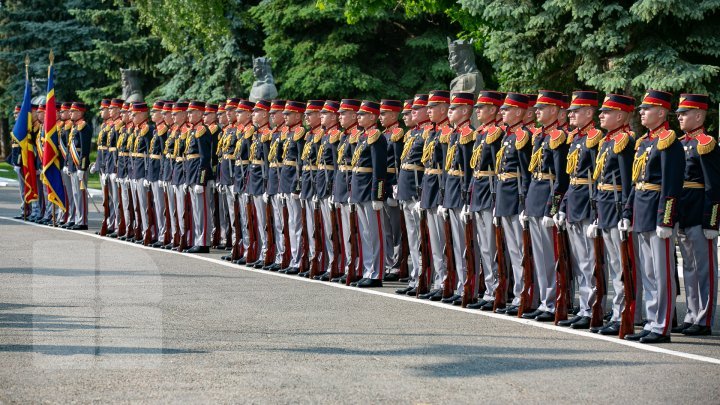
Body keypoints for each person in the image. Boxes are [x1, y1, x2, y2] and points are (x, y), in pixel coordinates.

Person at [622, 90, 684, 344]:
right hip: (642, 212)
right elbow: (636, 182)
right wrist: (628, 212)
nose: (642, 113)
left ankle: (663, 325)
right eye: (641, 109)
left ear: (661, 112)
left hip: (658, 214)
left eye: (647, 109)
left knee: (662, 274)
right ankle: (651, 321)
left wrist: (666, 219)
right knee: (648, 273)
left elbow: (671, 186)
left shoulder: (669, 142)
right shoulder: (644, 142)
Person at [520, 90, 569, 322]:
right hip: (536, 197)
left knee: (551, 257)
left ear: (555, 110)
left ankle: (554, 301)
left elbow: (561, 178)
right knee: (539, 256)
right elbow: (532, 172)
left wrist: (554, 208)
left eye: (542, 108)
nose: (536, 111)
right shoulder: (539, 136)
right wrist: (527, 205)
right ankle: (545, 301)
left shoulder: (559, 136)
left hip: (548, 199)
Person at [555, 91, 601, 329]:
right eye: (570, 111)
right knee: (579, 261)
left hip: (587, 205)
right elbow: (570, 178)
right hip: (573, 203)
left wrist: (597, 214)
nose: (570, 114)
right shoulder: (576, 138)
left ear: (589, 113)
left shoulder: (594, 138)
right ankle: (584, 307)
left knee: (589, 263)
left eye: (576, 111)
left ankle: (593, 308)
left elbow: (598, 178)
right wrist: (562, 206)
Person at [675, 93, 719, 336]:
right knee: (689, 268)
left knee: (704, 270)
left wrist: (711, 221)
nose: (680, 117)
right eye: (679, 114)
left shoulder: (706, 143)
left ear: (699, 115)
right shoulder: (682, 144)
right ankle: (692, 314)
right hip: (684, 212)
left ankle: (704, 319)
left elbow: (714, 186)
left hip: (701, 216)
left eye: (685, 113)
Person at [495, 93, 533, 316]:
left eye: (507, 110)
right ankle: (518, 293)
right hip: (505, 197)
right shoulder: (509, 136)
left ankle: (523, 295)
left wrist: (525, 204)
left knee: (520, 252)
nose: (502, 113)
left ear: (518, 112)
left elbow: (526, 173)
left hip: (516, 198)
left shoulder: (523, 137)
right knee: (512, 251)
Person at [467, 91, 505, 310]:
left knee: (494, 247)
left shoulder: (496, 134)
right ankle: (489, 289)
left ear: (493, 110)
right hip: (480, 193)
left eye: (482, 107)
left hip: (492, 193)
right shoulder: (482, 133)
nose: (478, 111)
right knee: (484, 247)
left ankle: (497, 291)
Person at [440, 91, 476, 304]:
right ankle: (459, 285)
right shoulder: (454, 134)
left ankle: (468, 287)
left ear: (464, 111)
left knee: (466, 246)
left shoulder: (468, 134)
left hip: (462, 195)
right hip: (451, 194)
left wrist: (466, 200)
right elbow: (447, 169)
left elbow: (469, 172)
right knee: (454, 245)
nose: (449, 112)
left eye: (453, 109)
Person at [395, 96, 432, 295]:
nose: (411, 114)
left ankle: (424, 278)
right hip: (407, 189)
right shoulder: (412, 134)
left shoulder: (428, 133)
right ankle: (414, 277)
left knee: (421, 238)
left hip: (418, 191)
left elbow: (427, 166)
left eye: (416, 110)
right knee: (412, 237)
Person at [418, 90, 452, 300]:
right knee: (434, 243)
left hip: (440, 190)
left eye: (432, 107)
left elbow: (449, 169)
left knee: (444, 241)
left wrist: (443, 197)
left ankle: (447, 281)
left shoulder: (447, 133)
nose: (428, 111)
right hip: (429, 190)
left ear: (443, 109)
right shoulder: (432, 132)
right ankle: (439, 280)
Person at [350, 100, 387, 288]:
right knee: (365, 234)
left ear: (372, 116)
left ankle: (376, 272)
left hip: (370, 191)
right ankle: (367, 270)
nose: (358, 117)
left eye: (362, 114)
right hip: (359, 189)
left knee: (374, 234)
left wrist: (378, 195)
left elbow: (379, 169)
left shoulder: (376, 137)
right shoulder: (363, 137)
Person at [330, 99, 361, 282]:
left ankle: (356, 267)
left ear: (353, 115)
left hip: (354, 189)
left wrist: (379, 193)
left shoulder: (358, 136)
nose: (339, 117)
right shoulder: (344, 136)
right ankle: (346, 266)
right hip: (341, 188)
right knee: (342, 232)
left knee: (355, 233)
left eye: (343, 113)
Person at [277, 100, 307, 274]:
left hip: (294, 183)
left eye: (288, 114)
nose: (285, 116)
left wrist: (298, 185)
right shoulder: (288, 134)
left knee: (296, 224)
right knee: (289, 223)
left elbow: (301, 162)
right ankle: (292, 259)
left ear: (297, 115)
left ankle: (298, 260)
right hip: (286, 182)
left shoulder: (300, 133)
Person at [314, 100, 342, 280]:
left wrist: (333, 189)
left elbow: (336, 165)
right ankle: (330, 264)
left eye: (324, 114)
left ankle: (337, 265)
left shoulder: (336, 135)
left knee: (335, 230)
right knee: (325, 230)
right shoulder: (325, 136)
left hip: (330, 187)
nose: (320, 117)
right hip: (321, 185)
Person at [379, 99, 404, 281]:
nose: (380, 117)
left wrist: (396, 186)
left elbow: (397, 163)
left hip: (392, 183)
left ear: (394, 115)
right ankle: (389, 263)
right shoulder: (383, 135)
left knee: (396, 229)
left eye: (384, 114)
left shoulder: (397, 134)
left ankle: (397, 264)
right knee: (386, 228)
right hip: (384, 184)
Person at [246, 99, 274, 267]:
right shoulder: (257, 134)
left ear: (264, 114)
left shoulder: (267, 134)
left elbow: (268, 163)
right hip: (254, 179)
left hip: (262, 181)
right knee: (256, 220)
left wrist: (267, 185)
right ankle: (260, 252)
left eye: (256, 112)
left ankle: (267, 254)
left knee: (266, 221)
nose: (253, 114)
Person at [184, 101, 213, 253]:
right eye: (188, 112)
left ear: (201, 114)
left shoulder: (202, 131)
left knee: (202, 211)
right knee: (196, 211)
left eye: (192, 112)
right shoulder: (194, 131)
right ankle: (197, 239)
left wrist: (201, 181)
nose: (188, 115)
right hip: (192, 174)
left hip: (199, 176)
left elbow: (204, 158)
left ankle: (203, 242)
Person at [263, 99, 288, 271]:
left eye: (275, 113)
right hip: (273, 182)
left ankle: (289, 257)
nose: (272, 116)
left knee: (289, 224)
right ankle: (280, 256)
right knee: (276, 223)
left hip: (285, 183)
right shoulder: (274, 133)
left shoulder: (293, 133)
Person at [66, 102, 92, 230]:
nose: (70, 113)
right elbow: (70, 147)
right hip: (72, 165)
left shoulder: (83, 127)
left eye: (73, 111)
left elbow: (85, 149)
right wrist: (67, 163)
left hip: (79, 166)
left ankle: (82, 221)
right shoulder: (75, 127)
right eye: (70, 111)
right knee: (75, 194)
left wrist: (82, 167)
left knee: (80, 194)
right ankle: (77, 218)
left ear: (80, 113)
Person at [148, 101, 169, 247]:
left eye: (155, 112)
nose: (152, 114)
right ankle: (158, 233)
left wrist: (162, 174)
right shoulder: (156, 130)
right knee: (156, 205)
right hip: (153, 170)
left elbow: (164, 155)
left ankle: (163, 234)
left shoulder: (163, 131)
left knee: (162, 207)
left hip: (159, 171)